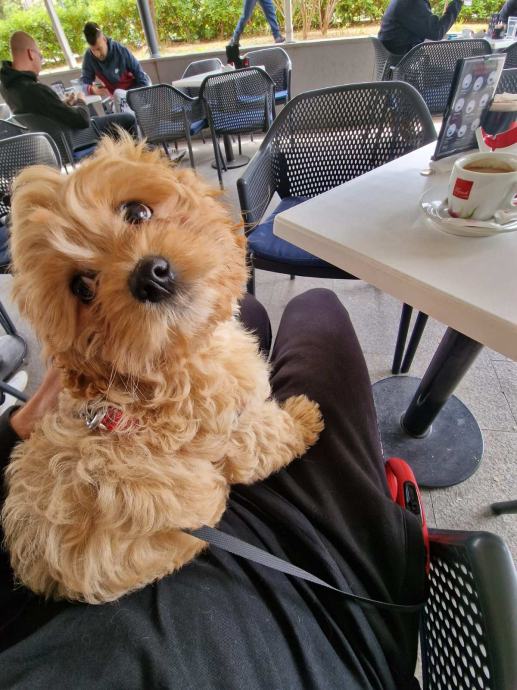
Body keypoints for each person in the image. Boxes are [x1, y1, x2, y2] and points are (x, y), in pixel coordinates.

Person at [0, 290, 425, 689]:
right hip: (299, 610)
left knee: (249, 310)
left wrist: (22, 424)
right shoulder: (198, 392)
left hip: (46, 580)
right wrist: (292, 430)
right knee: (318, 309)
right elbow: (240, 450)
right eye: (84, 287)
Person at [0, 32, 137, 140]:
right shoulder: (35, 89)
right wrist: (81, 100)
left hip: (50, 143)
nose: (41, 61)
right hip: (73, 138)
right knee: (127, 119)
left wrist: (63, 103)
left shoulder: (7, 87)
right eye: (40, 56)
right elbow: (82, 120)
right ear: (31, 53)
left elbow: (41, 110)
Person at [81, 22, 150, 97]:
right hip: (116, 98)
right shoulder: (89, 56)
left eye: (99, 49)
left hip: (136, 92)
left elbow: (142, 80)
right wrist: (91, 89)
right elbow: (83, 84)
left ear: (104, 39)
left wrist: (136, 98)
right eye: (93, 50)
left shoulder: (121, 50)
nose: (97, 54)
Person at [378, 0, 464, 56]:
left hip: (399, 60)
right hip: (403, 65)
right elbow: (436, 32)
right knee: (454, 71)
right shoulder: (411, 3)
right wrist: (457, 3)